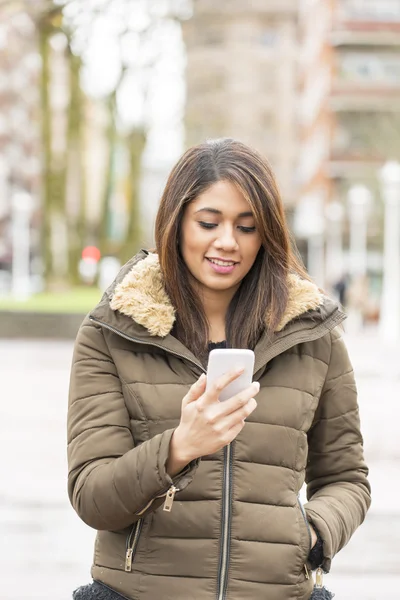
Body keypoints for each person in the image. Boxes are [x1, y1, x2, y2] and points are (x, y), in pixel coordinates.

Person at [68, 138, 371, 600]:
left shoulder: (314, 337)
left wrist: (310, 534)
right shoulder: (112, 334)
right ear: (176, 223)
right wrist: (178, 449)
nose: (227, 242)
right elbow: (93, 496)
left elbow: (347, 479)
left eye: (247, 227)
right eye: (208, 222)